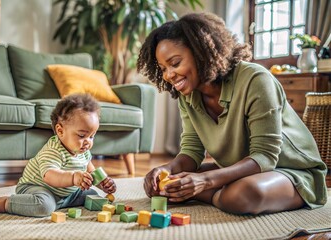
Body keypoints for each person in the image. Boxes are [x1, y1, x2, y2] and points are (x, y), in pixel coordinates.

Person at [137, 12, 327, 215]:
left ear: (201, 51)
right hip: (242, 169)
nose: (169, 75)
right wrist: (168, 169)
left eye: (175, 63)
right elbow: (191, 151)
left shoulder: (255, 79)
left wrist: (206, 181)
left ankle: (217, 194)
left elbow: (264, 156)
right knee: (165, 186)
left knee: (241, 195)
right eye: (163, 68)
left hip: (291, 171)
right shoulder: (188, 95)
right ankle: (218, 193)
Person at [0, 93, 116, 217]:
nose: (88, 142)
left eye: (92, 136)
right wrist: (73, 178)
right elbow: (49, 176)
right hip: (39, 189)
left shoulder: (83, 151)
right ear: (60, 131)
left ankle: (60, 203)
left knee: (92, 195)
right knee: (44, 206)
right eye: (82, 135)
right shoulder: (53, 150)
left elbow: (91, 171)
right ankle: (6, 203)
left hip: (67, 193)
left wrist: (102, 183)